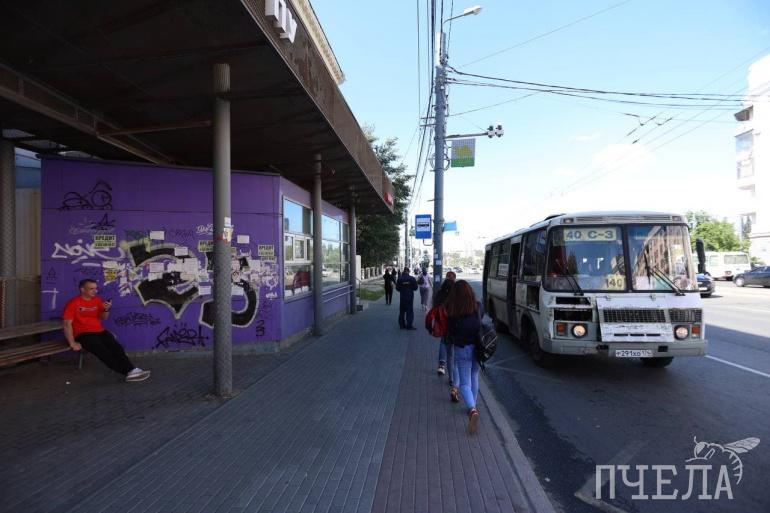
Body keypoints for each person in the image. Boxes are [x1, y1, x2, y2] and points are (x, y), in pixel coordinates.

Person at [62, 279, 151, 382]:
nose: (95, 291)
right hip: (83, 334)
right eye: (91, 289)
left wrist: (106, 309)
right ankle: (128, 371)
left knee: (117, 348)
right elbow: (66, 324)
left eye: (95, 288)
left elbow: (103, 317)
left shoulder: (97, 300)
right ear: (82, 289)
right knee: (103, 352)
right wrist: (72, 343)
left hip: (99, 331)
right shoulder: (73, 303)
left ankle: (131, 370)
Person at [444, 279, 484, 433]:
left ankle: (472, 410)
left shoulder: (453, 311)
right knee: (474, 377)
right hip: (478, 348)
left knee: (464, 383)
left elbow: (450, 332)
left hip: (462, 349)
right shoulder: (478, 306)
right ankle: (473, 406)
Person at [431, 278, 455, 382]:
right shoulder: (454, 297)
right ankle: (452, 378)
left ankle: (441, 364)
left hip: (442, 323)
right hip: (453, 326)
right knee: (451, 353)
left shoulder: (439, 295)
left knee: (443, 342)